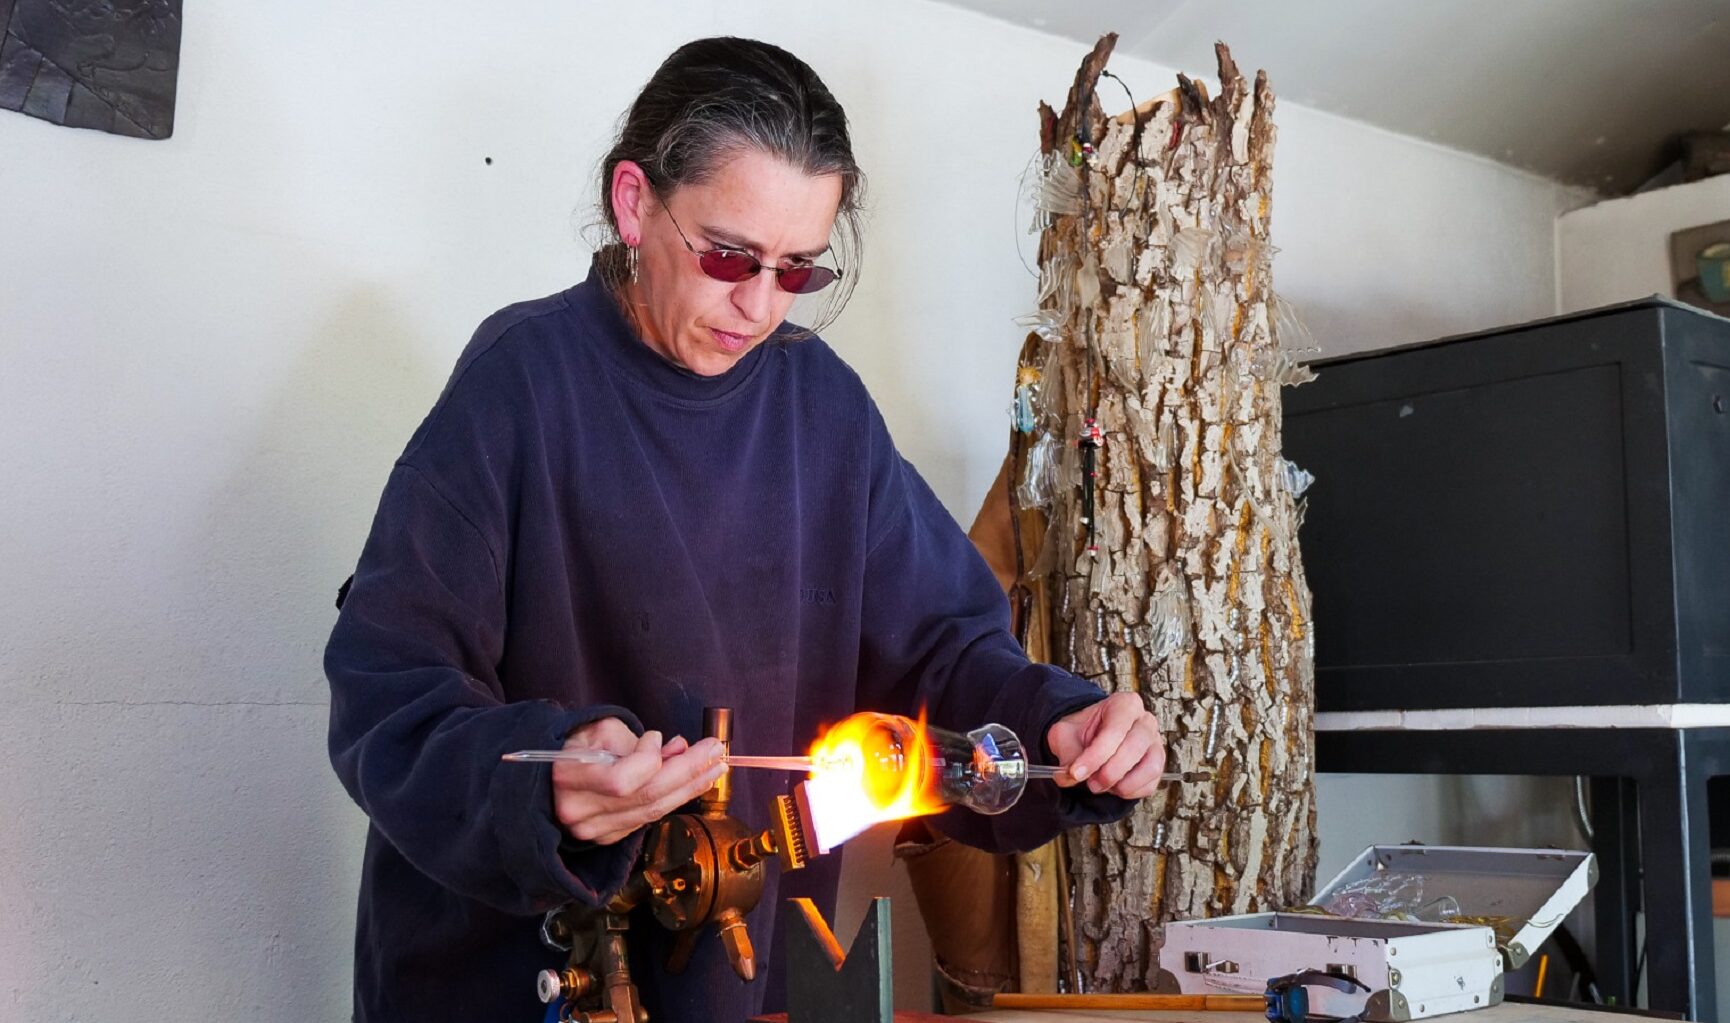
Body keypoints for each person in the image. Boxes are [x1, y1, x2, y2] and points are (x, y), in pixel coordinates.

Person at [324, 35, 1166, 1023]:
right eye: (728, 256)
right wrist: (546, 778)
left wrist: (1053, 723)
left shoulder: (823, 408)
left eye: (796, 271)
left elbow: (942, 646)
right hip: (510, 981)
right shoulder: (522, 382)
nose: (758, 306)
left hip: (735, 977)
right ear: (634, 202)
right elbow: (387, 696)